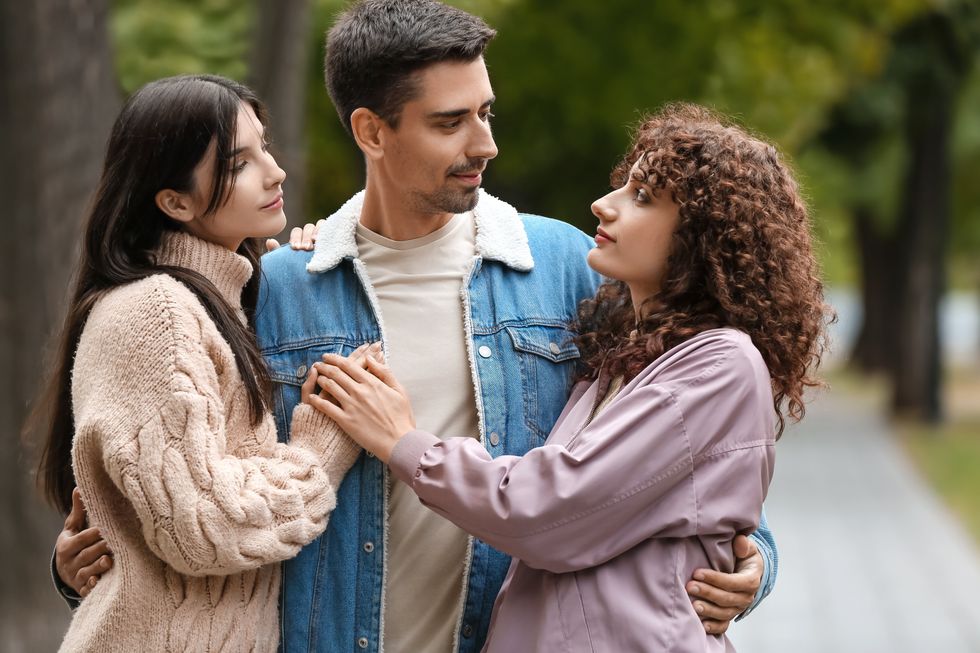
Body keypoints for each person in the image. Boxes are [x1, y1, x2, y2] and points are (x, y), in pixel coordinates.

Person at [54, 2, 778, 651]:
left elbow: (680, 457)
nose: (485, 143)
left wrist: (753, 559)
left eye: (486, 112)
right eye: (449, 122)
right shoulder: (274, 288)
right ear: (371, 130)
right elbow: (188, 489)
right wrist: (83, 558)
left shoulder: (567, 267)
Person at [310, 103, 830, 651]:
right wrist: (335, 238)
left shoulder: (722, 364)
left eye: (642, 198)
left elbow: (551, 510)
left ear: (705, 237)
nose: (603, 206)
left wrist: (403, 442)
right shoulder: (621, 357)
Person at [35, 74, 363, 652]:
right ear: (174, 201)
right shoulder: (153, 311)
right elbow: (205, 526)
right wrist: (320, 451)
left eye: (266, 146)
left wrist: (300, 276)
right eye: (240, 163)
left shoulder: (216, 302)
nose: (275, 170)